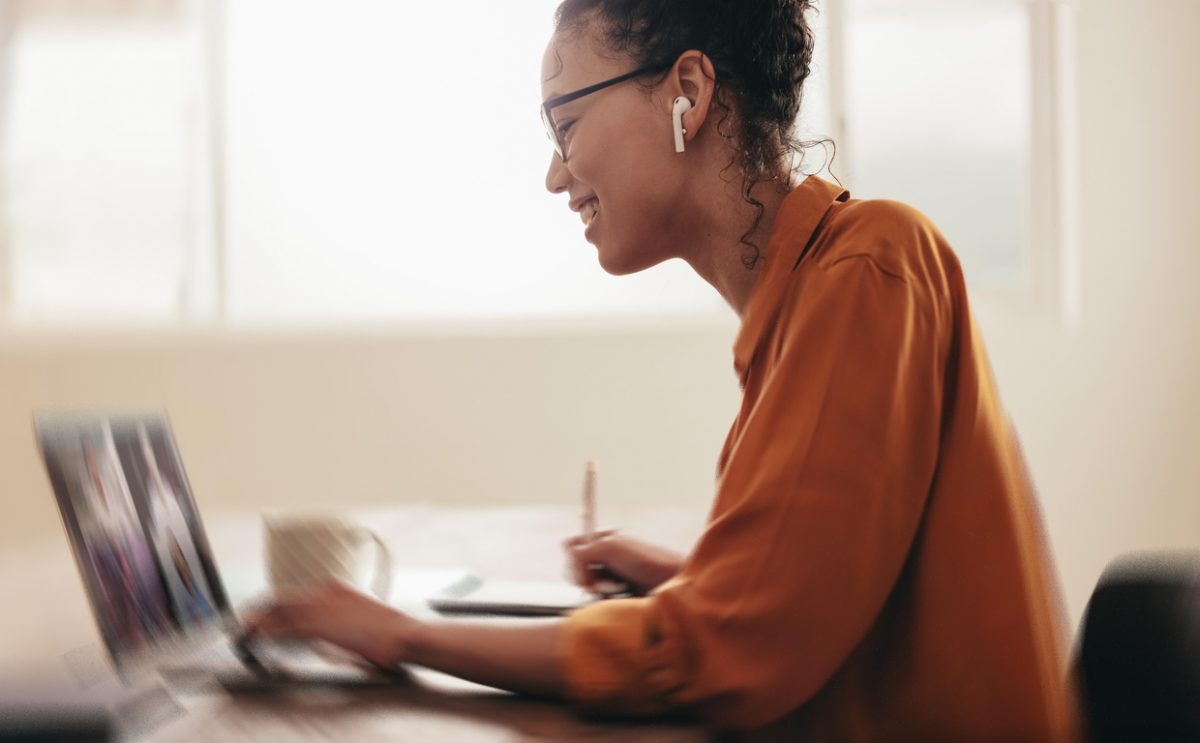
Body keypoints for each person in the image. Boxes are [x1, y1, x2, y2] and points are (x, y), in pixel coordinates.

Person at [247, 1, 1080, 739]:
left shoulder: (873, 267)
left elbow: (728, 654)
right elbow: (832, 613)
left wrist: (405, 635)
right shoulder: (808, 304)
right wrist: (700, 579)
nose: (553, 175)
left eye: (564, 125)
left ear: (688, 91)